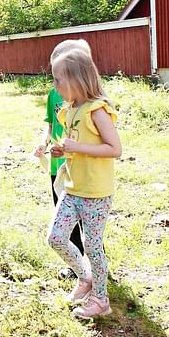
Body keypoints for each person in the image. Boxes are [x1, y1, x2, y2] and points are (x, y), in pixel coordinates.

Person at [46, 48, 122, 319]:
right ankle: (85, 276)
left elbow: (115, 149)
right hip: (73, 187)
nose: (55, 86)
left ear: (78, 79)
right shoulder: (70, 111)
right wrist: (62, 150)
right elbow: (76, 147)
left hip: (95, 192)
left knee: (92, 245)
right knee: (55, 238)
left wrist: (76, 145)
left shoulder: (96, 110)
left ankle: (101, 300)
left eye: (59, 80)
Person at [34, 40, 88, 269]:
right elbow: (51, 125)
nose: (56, 83)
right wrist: (42, 144)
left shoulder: (88, 101)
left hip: (82, 169)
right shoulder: (53, 96)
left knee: (88, 219)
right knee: (64, 217)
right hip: (58, 166)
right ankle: (75, 266)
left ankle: (96, 263)